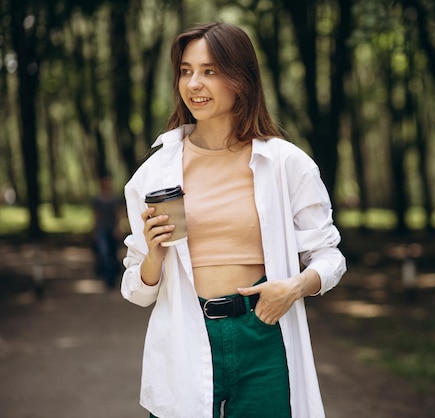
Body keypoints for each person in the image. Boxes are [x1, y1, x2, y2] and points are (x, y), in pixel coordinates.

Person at [121, 22, 346, 418]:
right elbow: (136, 291)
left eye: (210, 71)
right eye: (186, 71)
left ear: (241, 78)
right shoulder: (154, 174)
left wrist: (294, 287)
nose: (194, 84)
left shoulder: (285, 164)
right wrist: (153, 256)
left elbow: (329, 257)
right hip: (185, 334)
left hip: (262, 330)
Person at [91, 173, 123, 290]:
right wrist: (94, 230)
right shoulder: (97, 199)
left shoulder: (115, 198)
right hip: (101, 230)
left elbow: (118, 214)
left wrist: (118, 228)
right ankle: (106, 279)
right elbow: (96, 215)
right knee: (104, 254)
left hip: (112, 229)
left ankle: (113, 279)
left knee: (113, 255)